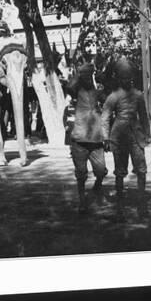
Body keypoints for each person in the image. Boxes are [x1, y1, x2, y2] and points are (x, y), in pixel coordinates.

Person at [102, 58, 151, 219]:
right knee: (120, 172)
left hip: (136, 137)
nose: (127, 80)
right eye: (123, 77)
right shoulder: (113, 97)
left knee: (141, 170)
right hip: (119, 137)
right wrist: (106, 138)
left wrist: (147, 134)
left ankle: (142, 206)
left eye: (129, 77)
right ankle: (119, 209)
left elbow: (144, 117)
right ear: (118, 78)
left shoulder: (138, 95)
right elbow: (105, 118)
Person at [66, 63, 107, 214]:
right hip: (79, 140)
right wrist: (79, 74)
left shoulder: (97, 92)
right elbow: (69, 87)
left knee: (101, 171)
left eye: (90, 75)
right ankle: (82, 201)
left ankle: (97, 186)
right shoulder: (76, 91)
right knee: (81, 174)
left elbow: (107, 100)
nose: (88, 78)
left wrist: (103, 80)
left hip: (96, 140)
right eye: (85, 76)